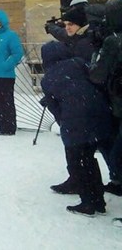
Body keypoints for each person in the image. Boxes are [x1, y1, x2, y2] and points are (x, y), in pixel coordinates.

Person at [41, 41, 111, 216]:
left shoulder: (48, 78)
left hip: (75, 121)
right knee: (89, 159)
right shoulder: (79, 63)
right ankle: (99, 202)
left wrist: (65, 125)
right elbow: (98, 80)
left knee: (78, 162)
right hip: (100, 113)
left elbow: (55, 108)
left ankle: (88, 203)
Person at [89, 0, 122, 199]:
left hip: (118, 102)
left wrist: (96, 52)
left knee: (116, 150)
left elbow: (97, 75)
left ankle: (118, 178)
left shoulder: (114, 41)